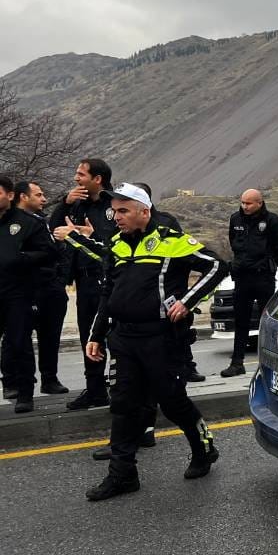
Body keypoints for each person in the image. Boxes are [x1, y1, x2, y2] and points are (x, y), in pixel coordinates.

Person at [83, 183, 227, 501]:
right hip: (124, 338)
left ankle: (204, 449)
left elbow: (216, 266)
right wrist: (96, 336)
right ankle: (123, 475)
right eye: (113, 211)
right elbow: (107, 294)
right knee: (123, 405)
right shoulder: (116, 245)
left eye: (123, 210)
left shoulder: (170, 240)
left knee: (172, 401)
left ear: (144, 212)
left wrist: (187, 301)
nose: (115, 217)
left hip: (161, 338)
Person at [48, 158, 118, 410]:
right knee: (89, 337)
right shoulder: (76, 204)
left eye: (81, 174)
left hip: (109, 280)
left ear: (97, 178)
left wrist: (92, 236)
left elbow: (120, 242)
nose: (76, 178)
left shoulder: (115, 204)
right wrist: (64, 203)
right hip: (84, 281)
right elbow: (54, 229)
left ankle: (123, 391)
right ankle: (95, 390)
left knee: (117, 338)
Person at [135, 183, 204, 383]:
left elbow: (182, 255)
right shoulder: (129, 223)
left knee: (179, 332)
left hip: (171, 289)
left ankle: (187, 367)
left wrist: (181, 290)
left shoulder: (166, 221)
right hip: (145, 292)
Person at [0, 176, 58, 413]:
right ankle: (9, 383)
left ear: (10, 195)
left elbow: (49, 252)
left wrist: (23, 259)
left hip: (18, 293)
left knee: (18, 342)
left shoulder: (28, 223)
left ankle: (25, 394)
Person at [220, 188, 278, 378]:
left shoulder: (273, 221)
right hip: (242, 278)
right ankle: (237, 363)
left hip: (263, 278)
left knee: (268, 320)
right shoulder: (236, 219)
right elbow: (233, 242)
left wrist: (267, 263)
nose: (245, 206)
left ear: (259, 203)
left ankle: (274, 362)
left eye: (248, 203)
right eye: (243, 202)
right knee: (241, 321)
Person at [15, 181, 70, 395]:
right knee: (20, 339)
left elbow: (57, 252)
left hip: (51, 288)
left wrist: (60, 279)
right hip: (25, 289)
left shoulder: (41, 222)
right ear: (23, 197)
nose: (44, 199)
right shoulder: (12, 225)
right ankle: (20, 385)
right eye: (38, 195)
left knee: (50, 336)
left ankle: (50, 379)